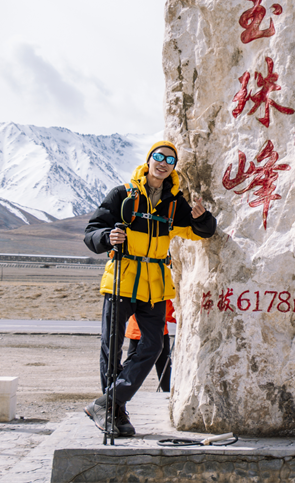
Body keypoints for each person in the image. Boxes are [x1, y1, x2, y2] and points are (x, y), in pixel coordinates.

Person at [83, 141, 216, 436]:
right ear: (149, 160)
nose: (164, 162)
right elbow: (91, 232)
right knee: (112, 346)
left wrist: (202, 217)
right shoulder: (122, 194)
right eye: (159, 156)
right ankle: (115, 412)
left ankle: (106, 403)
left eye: (170, 159)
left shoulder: (174, 203)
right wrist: (108, 236)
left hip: (155, 282)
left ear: (173, 167)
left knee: (154, 345)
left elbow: (203, 232)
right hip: (122, 277)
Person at [125, 299, 176, 392]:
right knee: (163, 363)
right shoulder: (161, 289)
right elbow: (168, 311)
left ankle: (121, 388)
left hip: (136, 330)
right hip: (158, 331)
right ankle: (167, 390)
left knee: (131, 362)